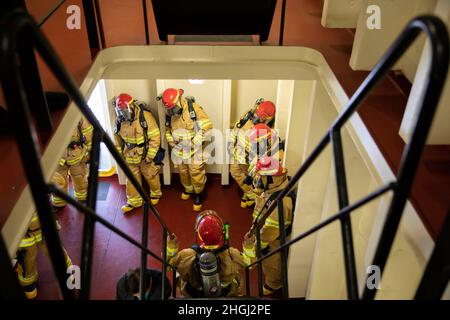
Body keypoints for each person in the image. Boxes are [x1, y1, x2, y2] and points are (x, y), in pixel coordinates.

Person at [242, 156, 295, 296]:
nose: (259, 181)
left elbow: (271, 230)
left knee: (271, 262)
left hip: (272, 240)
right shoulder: (274, 187)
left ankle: (274, 283)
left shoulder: (281, 203)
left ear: (270, 178)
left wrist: (260, 244)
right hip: (263, 229)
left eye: (261, 178)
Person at [166, 210, 246, 297]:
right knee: (237, 276)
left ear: (198, 233)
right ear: (223, 233)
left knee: (178, 275)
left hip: (193, 294)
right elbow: (250, 262)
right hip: (226, 294)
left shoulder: (185, 256)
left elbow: (167, 263)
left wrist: (171, 245)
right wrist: (248, 244)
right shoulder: (232, 255)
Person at [160, 88, 213, 211]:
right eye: (169, 108)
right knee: (183, 172)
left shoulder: (193, 109)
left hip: (195, 151)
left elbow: (207, 127)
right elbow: (167, 130)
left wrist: (194, 143)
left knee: (196, 172)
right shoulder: (170, 113)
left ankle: (198, 194)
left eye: (173, 107)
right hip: (179, 150)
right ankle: (188, 189)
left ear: (179, 100)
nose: (172, 110)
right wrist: (171, 141)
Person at [114, 93, 163, 213]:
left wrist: (150, 156)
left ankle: (156, 193)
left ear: (131, 107)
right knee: (131, 179)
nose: (123, 113)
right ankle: (133, 201)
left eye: (125, 110)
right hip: (129, 155)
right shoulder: (120, 120)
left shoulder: (145, 117)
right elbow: (117, 140)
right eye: (120, 111)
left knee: (151, 175)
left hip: (145, 155)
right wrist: (119, 156)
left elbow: (155, 137)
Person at [228, 99, 276, 208]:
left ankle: (250, 195)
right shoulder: (247, 115)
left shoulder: (269, 129)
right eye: (257, 114)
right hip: (239, 153)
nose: (256, 117)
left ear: (268, 118)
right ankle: (250, 194)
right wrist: (231, 144)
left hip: (251, 158)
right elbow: (237, 128)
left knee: (249, 177)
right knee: (234, 172)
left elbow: (267, 148)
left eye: (261, 116)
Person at [15, 212, 73, 299]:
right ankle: (28, 281)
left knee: (52, 247)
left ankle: (64, 269)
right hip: (24, 227)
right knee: (26, 256)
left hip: (37, 223)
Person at [50, 117, 93, 209]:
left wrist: (90, 151)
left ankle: (82, 197)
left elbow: (88, 132)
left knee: (79, 177)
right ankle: (59, 202)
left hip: (76, 154)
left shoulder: (77, 113)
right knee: (58, 180)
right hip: (58, 156)